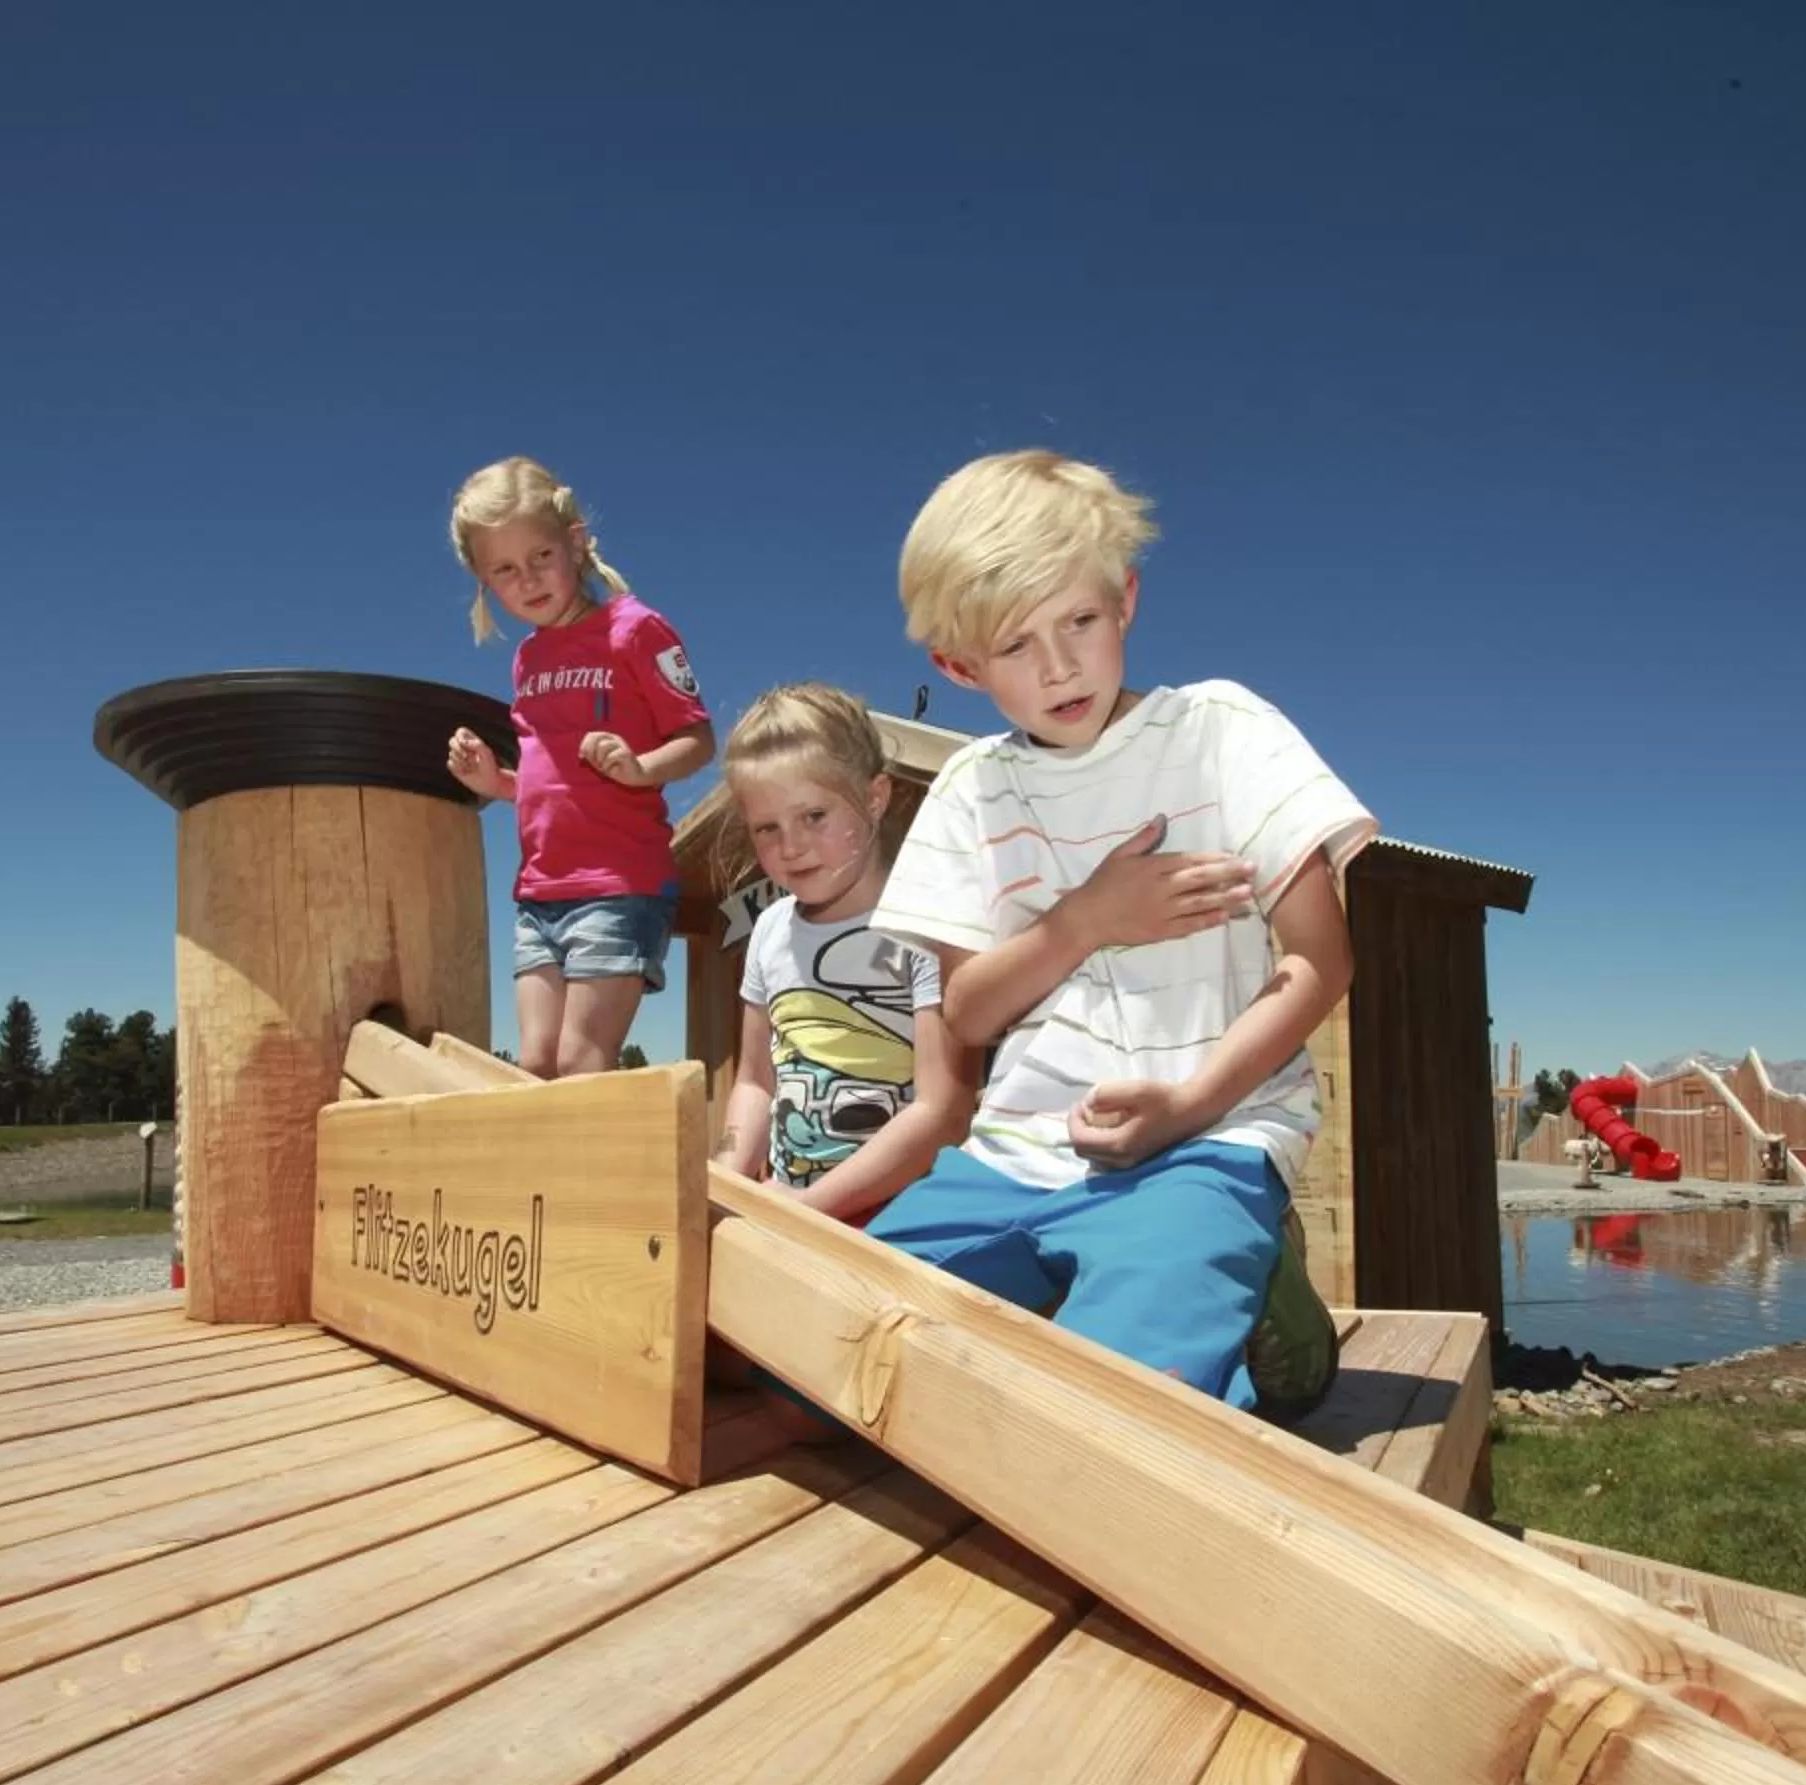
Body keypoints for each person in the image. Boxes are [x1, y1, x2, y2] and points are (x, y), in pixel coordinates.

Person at [861, 449, 1374, 1415]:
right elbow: (967, 1017)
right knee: (834, 1344)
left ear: (1127, 599)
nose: (1060, 666)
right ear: (957, 666)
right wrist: (1085, 920)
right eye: (1015, 645)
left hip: (1209, 1139)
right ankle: (1117, 1276)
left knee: (1120, 1402)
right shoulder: (973, 790)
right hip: (1013, 1159)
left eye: (1081, 622)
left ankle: (1253, 1283)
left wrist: (1186, 1108)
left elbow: (1320, 957)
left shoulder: (1221, 732)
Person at [442, 457, 715, 1078]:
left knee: (581, 1062)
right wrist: (495, 784)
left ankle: (609, 1174)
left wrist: (641, 767)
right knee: (535, 1062)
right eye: (504, 570)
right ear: (486, 583)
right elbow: (553, 781)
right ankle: (543, 1179)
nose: (528, 580)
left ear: (576, 541)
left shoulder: (634, 628)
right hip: (539, 893)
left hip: (618, 884)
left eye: (540, 556)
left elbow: (698, 739)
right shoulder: (528, 661)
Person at [711, 683, 976, 1224]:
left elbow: (942, 1110)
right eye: (767, 827)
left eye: (814, 816)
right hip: (788, 1209)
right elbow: (755, 1081)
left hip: (903, 1219)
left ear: (874, 797)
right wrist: (726, 1181)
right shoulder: (767, 931)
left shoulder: (929, 924)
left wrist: (808, 1209)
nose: (791, 846)